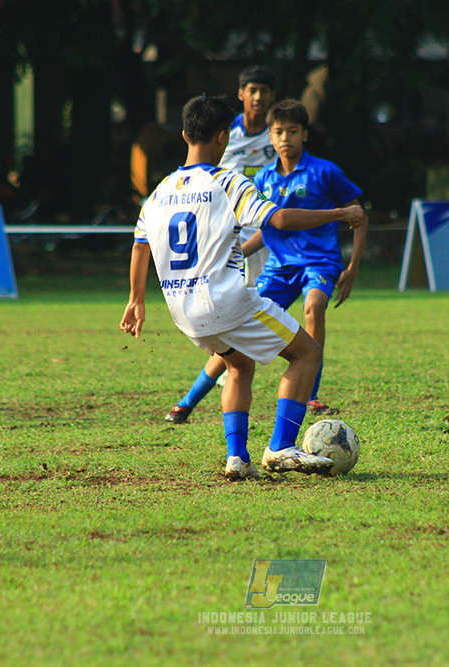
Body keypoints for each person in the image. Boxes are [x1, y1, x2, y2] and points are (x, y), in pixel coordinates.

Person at [121, 94, 364, 481]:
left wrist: (136, 300)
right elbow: (279, 219)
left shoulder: (160, 190)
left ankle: (237, 458)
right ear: (224, 137)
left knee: (238, 366)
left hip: (182, 311)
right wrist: (341, 213)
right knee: (307, 354)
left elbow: (140, 243)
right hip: (226, 301)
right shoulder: (227, 182)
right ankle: (281, 447)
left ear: (185, 135)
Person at [163, 99, 368, 424]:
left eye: (292, 131)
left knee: (314, 306)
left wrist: (352, 266)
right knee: (232, 336)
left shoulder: (325, 171)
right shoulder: (263, 179)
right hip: (279, 266)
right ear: (270, 138)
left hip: (320, 262)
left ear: (305, 135)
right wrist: (238, 253)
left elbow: (358, 215)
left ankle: (311, 396)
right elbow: (267, 228)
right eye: (278, 132)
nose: (284, 138)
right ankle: (187, 402)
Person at [220, 65, 278, 286]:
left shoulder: (279, 133)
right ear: (241, 93)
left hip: (263, 221)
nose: (258, 97)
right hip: (227, 221)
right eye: (252, 90)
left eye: (264, 91)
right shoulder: (225, 131)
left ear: (272, 95)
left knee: (263, 290)